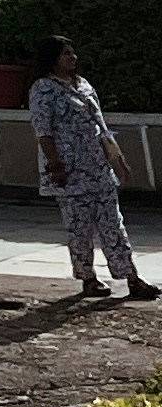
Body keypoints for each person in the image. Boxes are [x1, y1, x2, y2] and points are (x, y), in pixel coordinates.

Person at [31, 36, 156, 304]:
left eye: (73, 52)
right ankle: (88, 277)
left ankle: (131, 277)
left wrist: (117, 157)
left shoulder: (84, 85)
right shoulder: (43, 89)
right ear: (52, 58)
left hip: (97, 168)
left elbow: (100, 124)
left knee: (114, 225)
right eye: (66, 53)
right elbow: (44, 131)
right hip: (69, 171)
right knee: (80, 227)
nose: (73, 58)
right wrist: (55, 165)